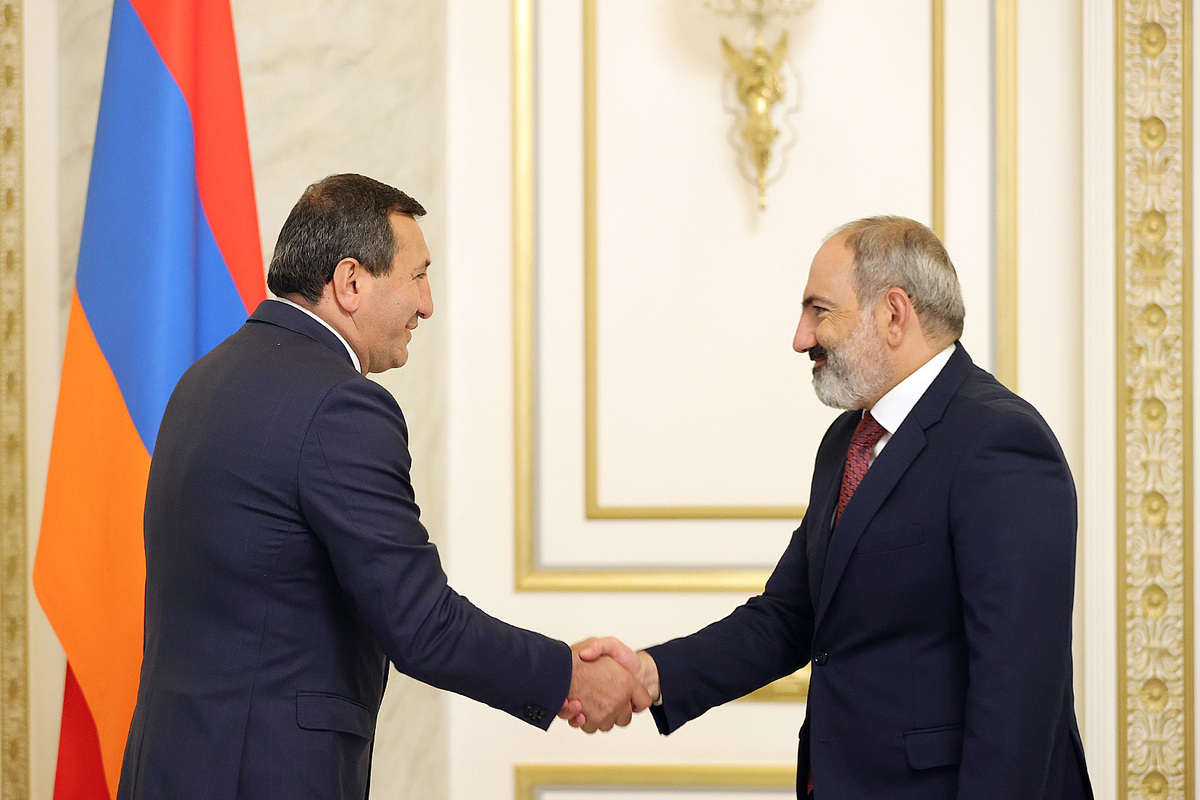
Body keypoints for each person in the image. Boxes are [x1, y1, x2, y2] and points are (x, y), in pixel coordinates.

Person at [117, 173, 649, 800]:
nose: (427, 304)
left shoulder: (200, 382)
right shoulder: (340, 405)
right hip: (264, 776)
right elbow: (422, 624)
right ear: (350, 282)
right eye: (417, 276)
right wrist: (567, 677)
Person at [570, 217, 1093, 799]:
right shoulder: (849, 440)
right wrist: (650, 673)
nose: (801, 338)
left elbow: (1019, 693)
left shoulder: (1001, 442)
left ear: (893, 314)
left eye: (819, 311)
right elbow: (790, 616)